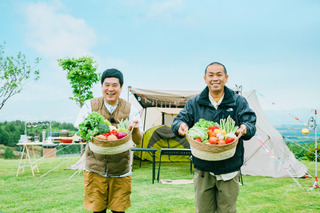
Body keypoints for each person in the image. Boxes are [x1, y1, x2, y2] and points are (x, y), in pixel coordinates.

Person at [171, 62, 256, 213]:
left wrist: (245, 128)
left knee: (227, 210)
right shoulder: (194, 102)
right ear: (205, 79)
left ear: (226, 78)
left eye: (219, 74)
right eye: (211, 75)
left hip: (229, 167)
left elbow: (250, 122)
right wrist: (180, 126)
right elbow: (179, 120)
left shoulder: (238, 101)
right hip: (203, 168)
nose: (215, 78)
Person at [74, 68, 143, 213]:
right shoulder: (90, 105)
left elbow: (138, 139)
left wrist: (134, 128)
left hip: (121, 169)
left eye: (115, 85)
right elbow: (81, 130)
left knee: (119, 211)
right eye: (107, 85)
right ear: (101, 86)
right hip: (95, 168)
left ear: (121, 87)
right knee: (97, 211)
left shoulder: (131, 109)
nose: (110, 89)